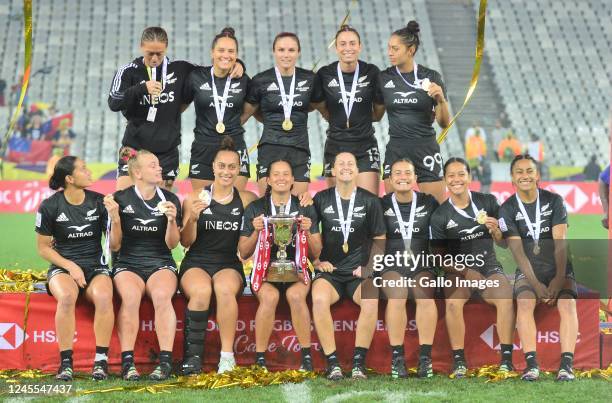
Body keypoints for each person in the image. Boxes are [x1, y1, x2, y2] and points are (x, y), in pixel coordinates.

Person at [108, 26, 243, 191]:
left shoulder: (180, 70)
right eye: (150, 53)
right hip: (134, 149)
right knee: (124, 203)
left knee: (161, 211)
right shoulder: (128, 72)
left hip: (166, 154)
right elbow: (113, 102)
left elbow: (214, 71)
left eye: (160, 53)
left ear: (166, 47)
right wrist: (141, 88)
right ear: (142, 46)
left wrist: (238, 64)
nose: (155, 58)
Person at [429, 157, 515, 378]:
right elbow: (439, 259)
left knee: (505, 298)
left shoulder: (488, 202)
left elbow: (503, 242)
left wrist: (496, 232)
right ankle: (459, 360)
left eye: (461, 174)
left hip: (488, 266)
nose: (456, 179)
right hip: (457, 272)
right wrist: (467, 272)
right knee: (453, 304)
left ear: (469, 177)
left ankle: (506, 359)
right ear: (445, 181)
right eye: (451, 176)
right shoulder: (440, 215)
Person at [179, 137, 257, 375]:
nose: (226, 171)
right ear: (213, 167)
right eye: (222, 166)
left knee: (224, 289)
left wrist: (304, 199)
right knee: (201, 291)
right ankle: (192, 359)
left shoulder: (247, 199)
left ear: (239, 169)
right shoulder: (194, 197)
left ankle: (226, 357)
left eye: (232, 167)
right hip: (196, 261)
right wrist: (192, 218)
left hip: (228, 263)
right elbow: (185, 241)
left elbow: (277, 203)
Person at [498, 154, 579, 381]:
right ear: (512, 178)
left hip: (558, 266)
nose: (525, 176)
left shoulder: (554, 201)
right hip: (528, 269)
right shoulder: (507, 208)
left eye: (529, 171)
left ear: (538, 175)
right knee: (524, 302)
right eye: (519, 172)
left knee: (568, 302)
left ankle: (566, 365)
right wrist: (535, 283)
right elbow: (517, 251)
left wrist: (558, 278)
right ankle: (531, 365)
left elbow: (561, 242)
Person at [35, 156, 114, 381]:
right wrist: (70, 266)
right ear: (69, 178)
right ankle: (66, 363)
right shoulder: (50, 206)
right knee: (67, 297)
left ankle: (101, 362)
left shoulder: (100, 202)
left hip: (95, 266)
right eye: (83, 169)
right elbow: (43, 248)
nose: (89, 172)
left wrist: (115, 217)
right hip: (63, 267)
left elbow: (113, 242)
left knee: (104, 296)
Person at [238, 159, 322, 371]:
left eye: (286, 174)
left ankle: (306, 357)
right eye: (276, 174)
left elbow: (317, 252)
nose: (281, 178)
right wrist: (256, 231)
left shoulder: (305, 207)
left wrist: (307, 230)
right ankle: (259, 359)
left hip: (297, 269)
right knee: (270, 297)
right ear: (268, 180)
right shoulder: (256, 208)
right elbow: (244, 252)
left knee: (296, 296)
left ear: (293, 179)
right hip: (264, 272)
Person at [108, 149, 182, 381]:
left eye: (158, 164)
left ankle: (165, 362)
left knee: (162, 296)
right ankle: (127, 363)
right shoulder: (120, 199)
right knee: (130, 297)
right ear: (137, 172)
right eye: (153, 165)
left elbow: (172, 245)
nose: (159, 168)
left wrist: (171, 221)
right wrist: (116, 219)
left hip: (160, 261)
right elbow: (115, 245)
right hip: (128, 262)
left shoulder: (170, 199)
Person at [312, 152, 386, 380]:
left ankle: (358, 363)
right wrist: (316, 261)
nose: (345, 167)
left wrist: (370, 268)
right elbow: (312, 236)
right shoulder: (320, 199)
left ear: (357, 171)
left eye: (350, 164)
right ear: (332, 171)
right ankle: (332, 362)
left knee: (371, 298)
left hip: (358, 273)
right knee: (319, 299)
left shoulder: (370, 200)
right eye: (340, 163)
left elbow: (380, 238)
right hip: (330, 273)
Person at [373, 21, 450, 202]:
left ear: (411, 50)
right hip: (396, 149)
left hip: (426, 149)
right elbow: (376, 115)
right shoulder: (383, 78)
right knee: (393, 213)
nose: (389, 53)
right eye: (389, 48)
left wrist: (441, 100)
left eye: (395, 48)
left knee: (436, 212)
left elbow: (444, 123)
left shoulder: (431, 76)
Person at [242, 32, 323, 195]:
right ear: (274, 52)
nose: (286, 54)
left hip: (299, 149)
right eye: (281, 50)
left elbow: (321, 108)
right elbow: (245, 115)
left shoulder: (310, 79)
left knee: (297, 210)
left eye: (291, 50)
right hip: (270, 148)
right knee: (268, 208)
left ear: (298, 52)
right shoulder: (260, 80)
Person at [379, 158, 439, 378]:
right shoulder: (381, 203)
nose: (402, 177)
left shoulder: (429, 202)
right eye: (397, 173)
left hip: (421, 265)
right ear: (390, 178)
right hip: (391, 266)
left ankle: (425, 358)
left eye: (407, 173)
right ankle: (397, 358)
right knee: (397, 295)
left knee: (424, 296)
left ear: (415, 178)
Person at [311, 25, 381, 195]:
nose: (347, 48)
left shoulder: (371, 72)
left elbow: (378, 114)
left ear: (360, 46)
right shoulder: (325, 74)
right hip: (335, 145)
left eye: (352, 43)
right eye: (342, 44)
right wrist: (337, 120)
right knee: (336, 208)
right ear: (336, 47)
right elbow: (321, 107)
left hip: (365, 146)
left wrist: (360, 120)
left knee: (369, 204)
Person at [183, 27, 251, 192]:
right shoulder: (196, 77)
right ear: (212, 52)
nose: (226, 55)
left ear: (236, 55)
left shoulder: (244, 80)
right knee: (203, 205)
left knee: (235, 204)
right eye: (221, 50)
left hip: (235, 146)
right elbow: (179, 107)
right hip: (203, 148)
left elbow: (254, 109)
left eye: (231, 51)